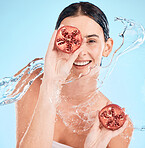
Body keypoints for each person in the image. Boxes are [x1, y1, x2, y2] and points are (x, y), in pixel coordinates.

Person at [15, 2, 133, 148]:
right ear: (56, 41)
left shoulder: (115, 126)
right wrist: (51, 83)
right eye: (70, 39)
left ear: (107, 47)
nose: (80, 52)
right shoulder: (32, 81)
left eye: (91, 41)